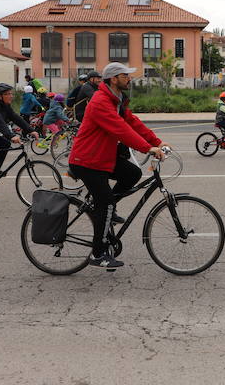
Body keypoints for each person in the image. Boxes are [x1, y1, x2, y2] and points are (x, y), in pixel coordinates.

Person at [67, 62, 167, 269]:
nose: (130, 79)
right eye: (125, 75)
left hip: (102, 158)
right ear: (113, 79)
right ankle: (99, 253)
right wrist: (147, 148)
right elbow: (121, 130)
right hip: (87, 161)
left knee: (132, 174)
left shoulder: (117, 101)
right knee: (106, 202)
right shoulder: (101, 101)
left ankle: (105, 211)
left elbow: (132, 123)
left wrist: (157, 142)